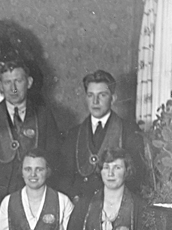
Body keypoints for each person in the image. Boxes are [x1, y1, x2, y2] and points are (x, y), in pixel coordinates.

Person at [0, 61, 61, 199]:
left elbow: (54, 158)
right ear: (0, 85)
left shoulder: (44, 116)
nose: (13, 89)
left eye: (18, 81)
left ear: (29, 82)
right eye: (7, 82)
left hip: (34, 196)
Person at [58, 70, 146, 202]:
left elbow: (136, 177)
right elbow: (64, 177)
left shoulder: (128, 131)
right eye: (90, 95)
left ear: (113, 98)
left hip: (115, 204)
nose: (95, 101)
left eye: (102, 95)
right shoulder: (74, 134)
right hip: (80, 204)